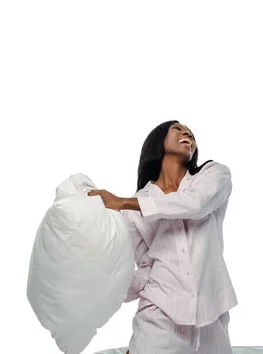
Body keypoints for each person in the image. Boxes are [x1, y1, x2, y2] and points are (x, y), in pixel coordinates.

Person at [89, 120, 236, 354]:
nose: (187, 132)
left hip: (212, 312)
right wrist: (110, 289)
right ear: (158, 142)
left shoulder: (213, 174)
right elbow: (147, 266)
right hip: (159, 312)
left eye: (190, 132)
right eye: (177, 129)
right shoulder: (134, 208)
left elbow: (195, 205)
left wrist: (123, 201)